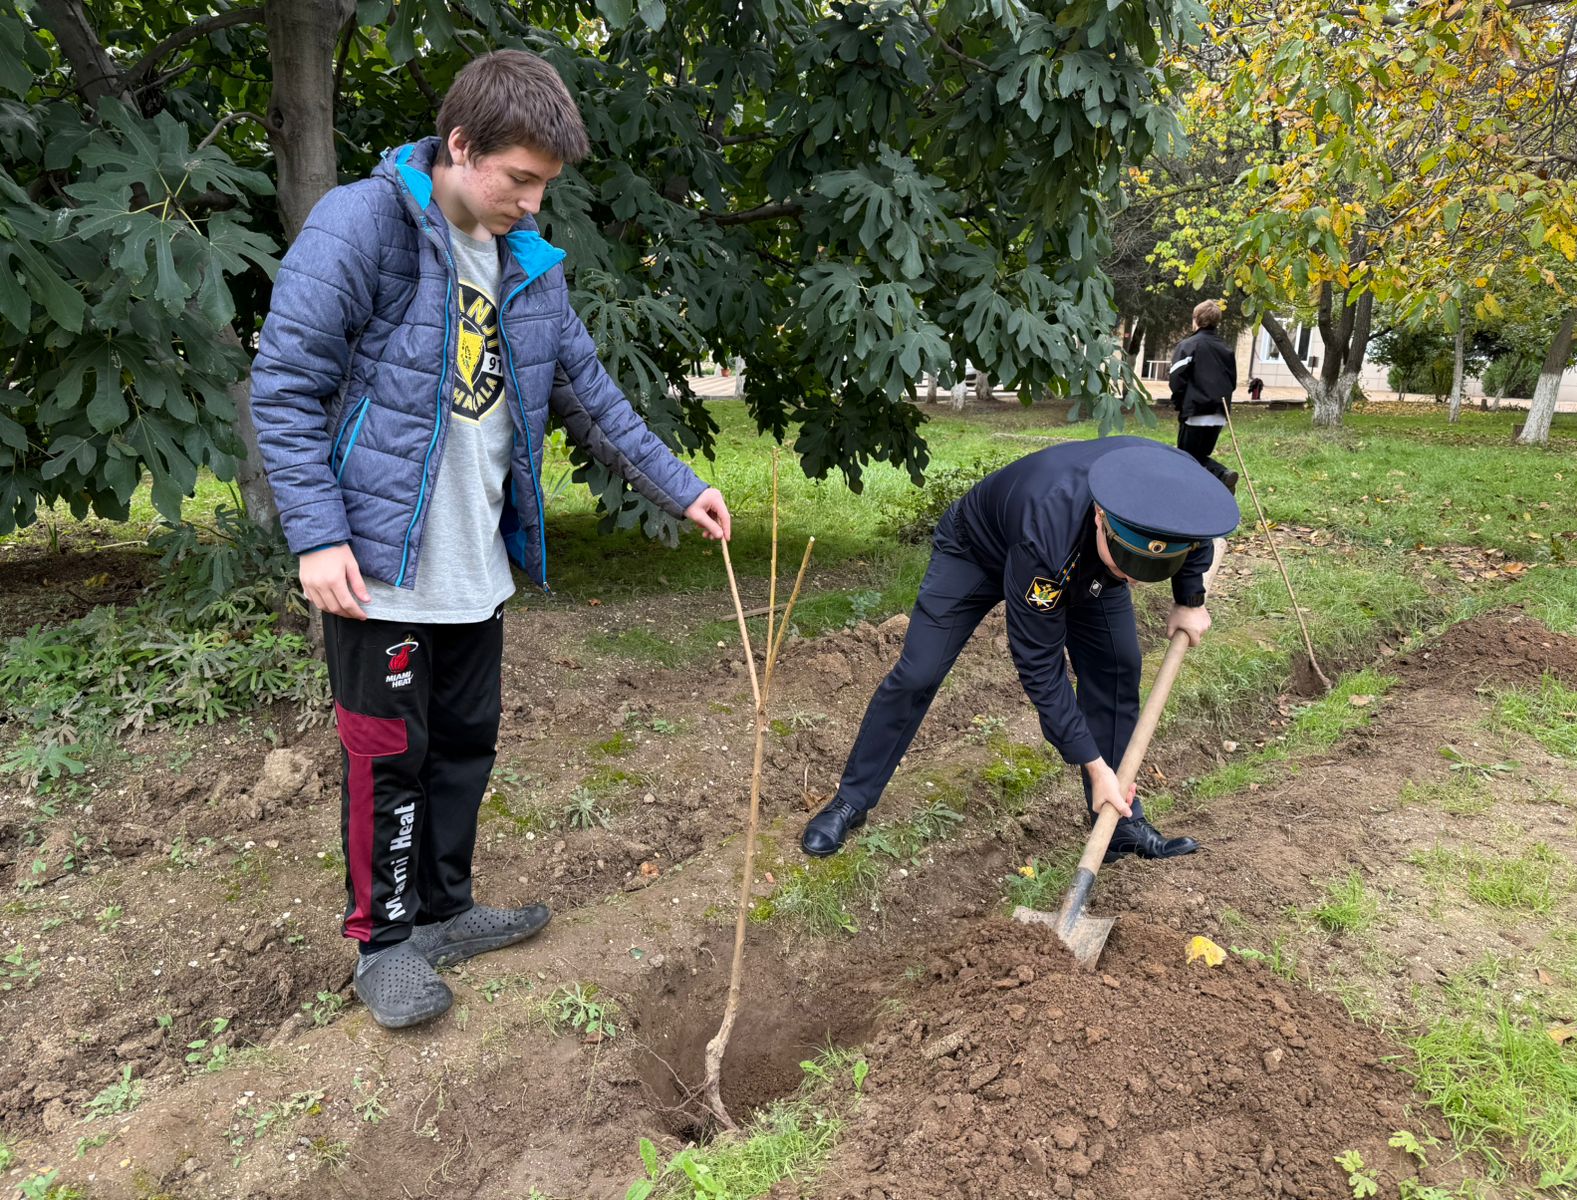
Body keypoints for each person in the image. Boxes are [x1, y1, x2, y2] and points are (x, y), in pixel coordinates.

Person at [251, 51, 731, 1029]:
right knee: (388, 757)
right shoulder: (363, 226)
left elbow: (590, 399)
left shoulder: (530, 269)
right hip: (376, 570)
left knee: (463, 748)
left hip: (475, 568)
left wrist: (683, 490)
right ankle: (383, 944)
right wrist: (315, 537)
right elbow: (285, 386)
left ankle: (446, 911)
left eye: (544, 186)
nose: (532, 204)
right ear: (459, 148)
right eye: (520, 180)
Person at [801, 437, 1239, 861]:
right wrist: (1093, 763)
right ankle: (850, 801)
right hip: (977, 553)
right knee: (919, 672)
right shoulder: (1045, 539)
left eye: (1147, 569)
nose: (1135, 581)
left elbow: (1192, 537)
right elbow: (1040, 668)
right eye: (1127, 565)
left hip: (1087, 559)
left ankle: (1118, 825)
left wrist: (1189, 600)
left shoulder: (1171, 487)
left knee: (1119, 666)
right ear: (1101, 516)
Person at [1168, 299, 1240, 492]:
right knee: (1199, 457)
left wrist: (1179, 403)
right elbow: (1232, 382)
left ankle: (1221, 475)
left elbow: (1176, 379)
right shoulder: (1226, 350)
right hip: (1219, 414)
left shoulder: (1188, 346)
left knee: (1187, 458)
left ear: (1196, 320)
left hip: (1194, 412)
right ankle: (1215, 485)